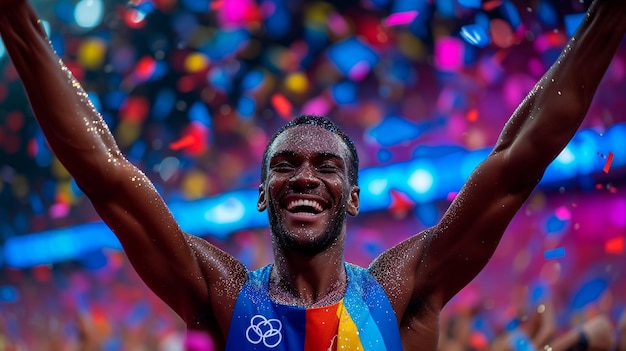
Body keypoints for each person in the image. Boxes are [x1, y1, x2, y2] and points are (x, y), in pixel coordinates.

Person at [1, 0, 624, 349]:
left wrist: (608, 18)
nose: (304, 177)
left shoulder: (400, 291)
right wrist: (21, 26)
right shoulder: (223, 296)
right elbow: (105, 170)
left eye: (326, 166)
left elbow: (521, 155)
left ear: (353, 196)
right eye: (285, 165)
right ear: (261, 196)